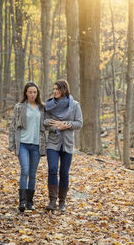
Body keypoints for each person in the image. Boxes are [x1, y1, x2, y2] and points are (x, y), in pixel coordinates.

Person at [44, 79, 83, 212]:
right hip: (53, 143)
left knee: (64, 173)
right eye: (54, 89)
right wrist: (55, 127)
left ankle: (62, 202)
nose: (54, 91)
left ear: (64, 90)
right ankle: (52, 201)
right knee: (53, 169)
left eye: (57, 89)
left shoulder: (75, 105)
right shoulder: (49, 105)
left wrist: (66, 125)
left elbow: (79, 123)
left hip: (67, 144)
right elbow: (44, 122)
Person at [8, 82, 46, 212]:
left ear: (37, 93)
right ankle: (22, 202)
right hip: (23, 143)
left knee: (33, 173)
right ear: (26, 93)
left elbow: (46, 124)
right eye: (30, 92)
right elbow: (13, 126)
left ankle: (30, 202)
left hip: (36, 145)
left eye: (35, 92)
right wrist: (11, 144)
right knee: (25, 170)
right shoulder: (19, 107)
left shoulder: (42, 108)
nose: (32, 94)